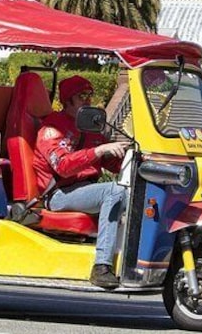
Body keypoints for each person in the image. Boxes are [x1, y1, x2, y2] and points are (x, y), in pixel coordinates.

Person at [33, 75, 130, 289]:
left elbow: (113, 164)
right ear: (67, 100)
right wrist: (97, 151)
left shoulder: (89, 129)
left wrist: (129, 153)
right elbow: (63, 166)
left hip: (86, 190)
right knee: (113, 191)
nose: (87, 100)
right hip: (59, 194)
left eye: (89, 95)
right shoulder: (51, 129)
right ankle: (101, 267)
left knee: (133, 191)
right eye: (81, 96)